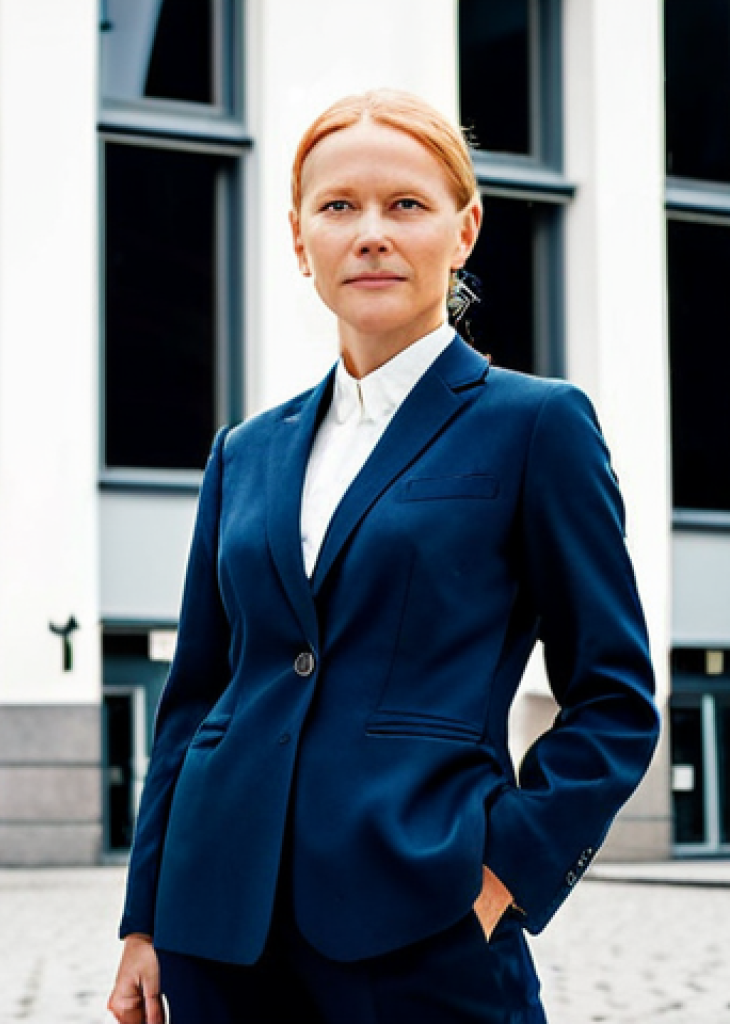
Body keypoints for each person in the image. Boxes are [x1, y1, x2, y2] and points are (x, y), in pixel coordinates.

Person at [107, 88, 659, 1024]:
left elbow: (615, 697)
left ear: (464, 229)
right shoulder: (244, 452)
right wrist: (145, 917)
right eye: (338, 207)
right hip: (216, 933)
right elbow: (197, 696)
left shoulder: (535, 425)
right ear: (298, 241)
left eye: (406, 205)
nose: (371, 233)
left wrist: (499, 880)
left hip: (423, 932)